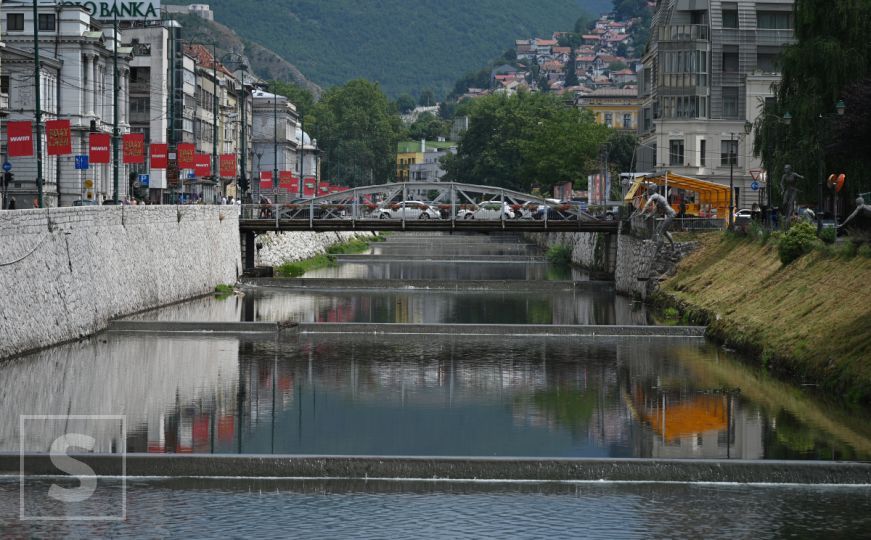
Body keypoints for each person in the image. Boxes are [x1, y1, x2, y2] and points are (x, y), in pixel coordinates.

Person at [641, 184, 676, 249]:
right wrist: (648, 216)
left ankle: (659, 246)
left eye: (649, 190)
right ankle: (672, 245)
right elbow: (655, 211)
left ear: (653, 190)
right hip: (670, 214)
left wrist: (642, 212)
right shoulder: (658, 199)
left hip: (670, 215)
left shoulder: (655, 196)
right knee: (663, 231)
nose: (648, 191)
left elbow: (647, 204)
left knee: (661, 232)